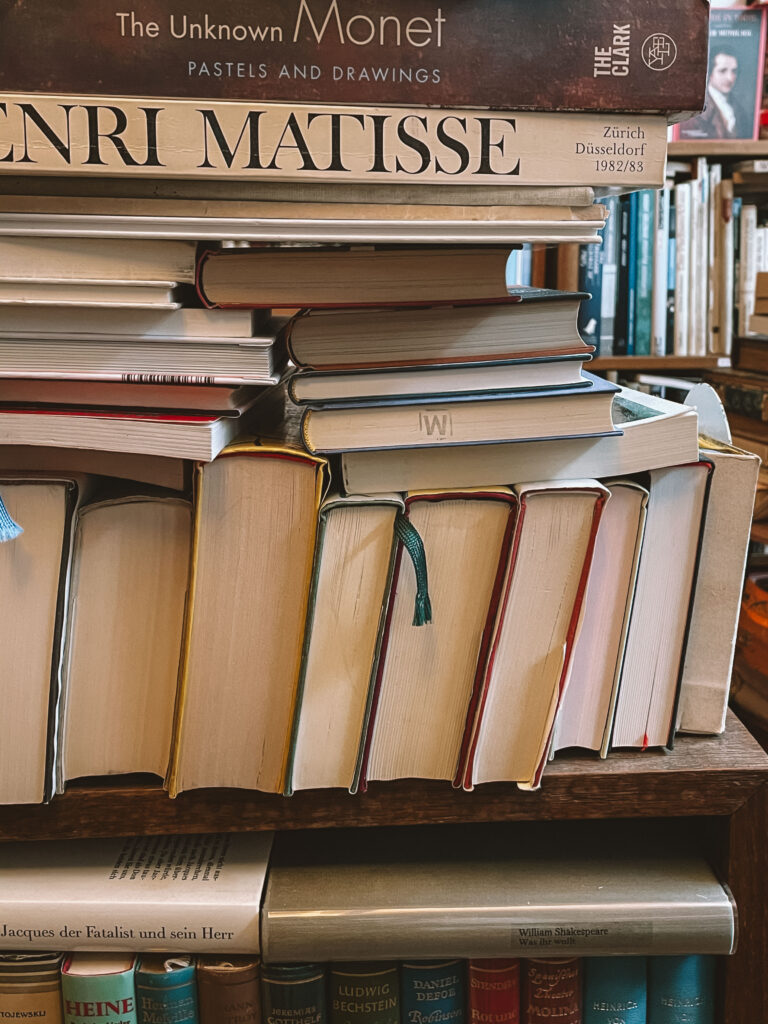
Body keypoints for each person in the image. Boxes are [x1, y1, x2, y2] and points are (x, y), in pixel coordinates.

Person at [686, 46, 754, 139]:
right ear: (710, 73)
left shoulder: (740, 110)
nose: (730, 78)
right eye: (722, 71)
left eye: (734, 71)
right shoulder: (696, 110)